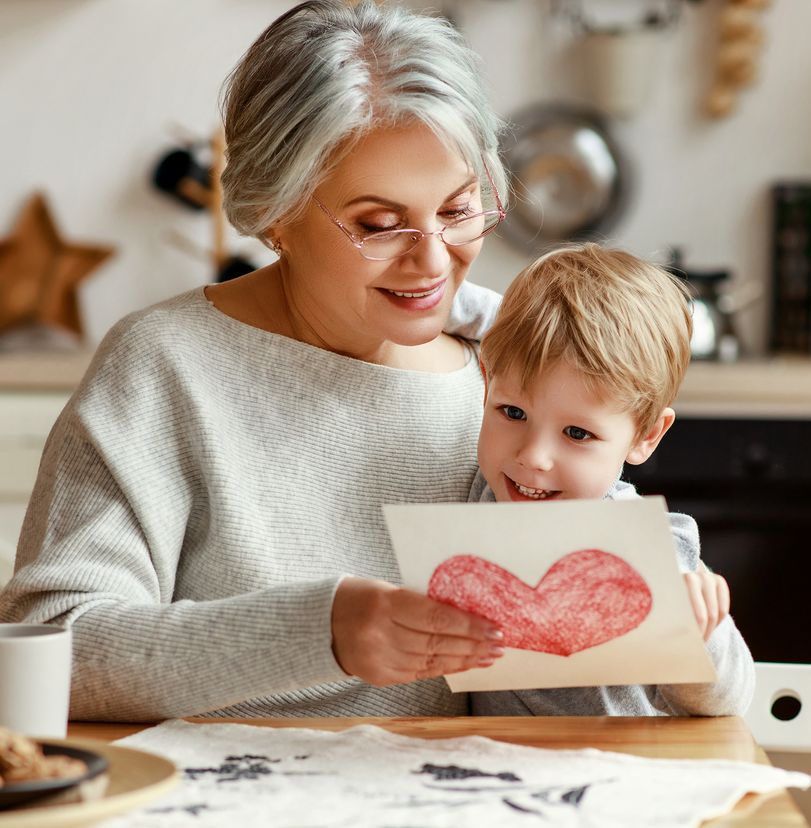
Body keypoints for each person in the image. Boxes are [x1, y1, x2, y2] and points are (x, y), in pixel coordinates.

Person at [0, 0, 511, 720]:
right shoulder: (166, 365)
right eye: (380, 224)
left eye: (458, 209)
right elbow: (56, 646)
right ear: (277, 212)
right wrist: (317, 634)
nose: (433, 259)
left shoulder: (509, 376)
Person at [465, 243, 755, 716]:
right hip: (498, 775)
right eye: (512, 412)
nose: (533, 457)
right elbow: (456, 306)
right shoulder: (479, 501)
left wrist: (701, 634)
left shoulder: (646, 545)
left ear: (645, 436)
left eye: (577, 433)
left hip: (626, 773)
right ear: (485, 386)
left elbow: (732, 700)